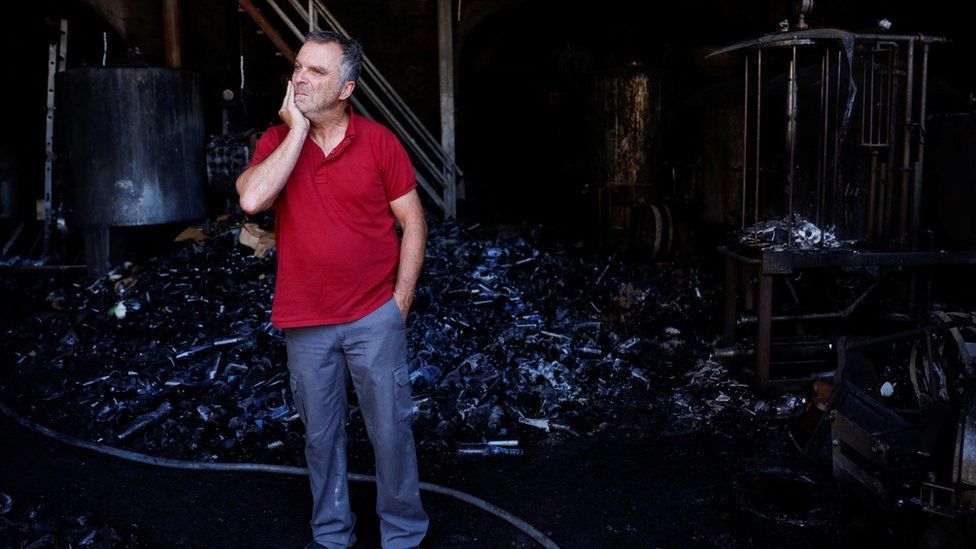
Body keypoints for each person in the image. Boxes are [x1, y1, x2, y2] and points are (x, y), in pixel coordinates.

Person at [236, 30, 428, 549]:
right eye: (298, 67)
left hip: (373, 315)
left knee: (391, 433)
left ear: (346, 89)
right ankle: (331, 534)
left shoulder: (380, 142)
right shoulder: (276, 144)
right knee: (321, 439)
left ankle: (404, 535)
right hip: (305, 320)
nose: (300, 77)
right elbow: (252, 200)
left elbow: (414, 222)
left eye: (317, 71)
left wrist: (400, 301)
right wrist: (296, 129)